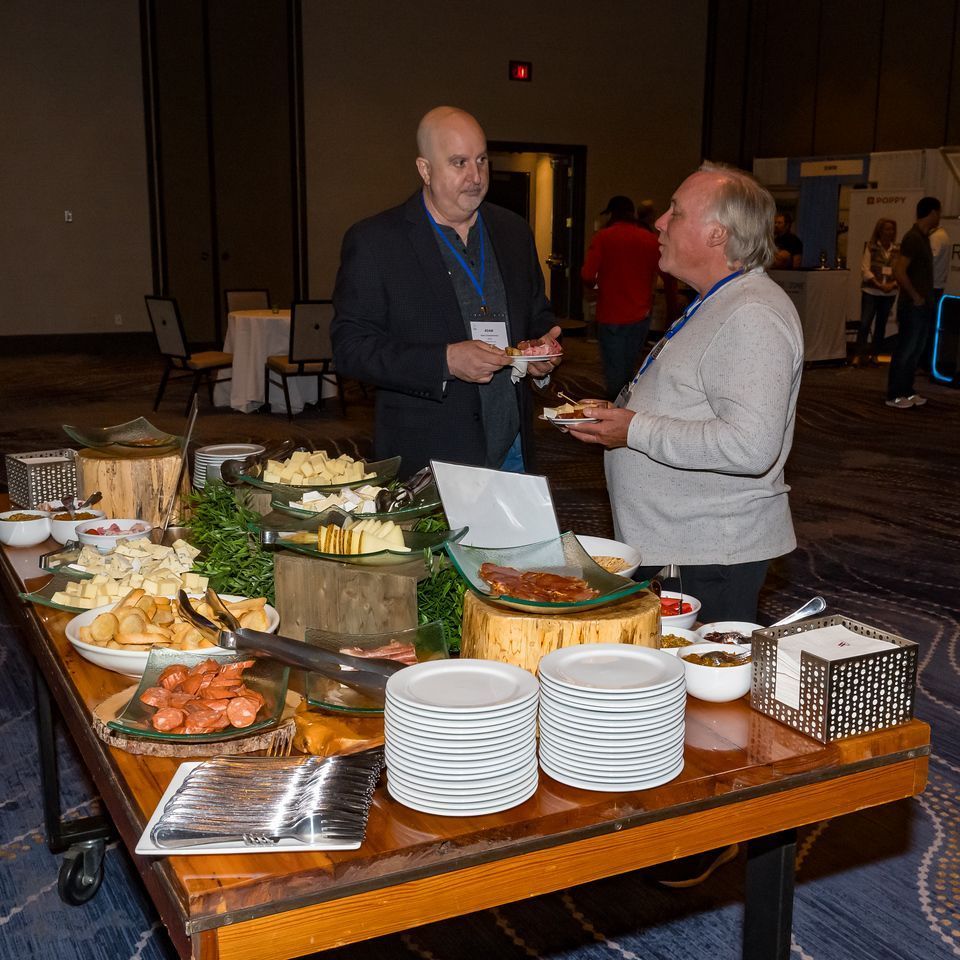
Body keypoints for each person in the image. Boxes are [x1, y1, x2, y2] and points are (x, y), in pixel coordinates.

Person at [566, 162, 804, 625]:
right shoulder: (720, 300)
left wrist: (634, 429)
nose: (658, 222)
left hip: (709, 557)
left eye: (675, 212)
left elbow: (751, 446)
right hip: (686, 546)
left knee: (703, 693)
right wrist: (618, 413)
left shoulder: (751, 314)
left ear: (717, 234)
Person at [331, 107, 561, 477]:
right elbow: (351, 348)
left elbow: (537, 312)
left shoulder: (513, 231)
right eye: (459, 163)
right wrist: (445, 362)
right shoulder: (376, 242)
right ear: (425, 169)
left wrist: (540, 348)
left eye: (482, 160)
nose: (476, 177)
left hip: (513, 449)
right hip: (432, 457)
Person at [580, 196, 663, 399]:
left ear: (612, 214)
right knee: (630, 367)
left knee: (614, 372)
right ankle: (627, 411)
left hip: (611, 314)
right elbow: (666, 275)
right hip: (641, 314)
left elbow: (587, 275)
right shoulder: (650, 239)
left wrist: (597, 286)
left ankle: (616, 415)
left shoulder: (604, 237)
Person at [886, 196, 941, 409]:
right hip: (912, 306)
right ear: (932, 212)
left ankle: (907, 391)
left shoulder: (922, 237)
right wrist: (916, 296)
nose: (939, 217)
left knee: (916, 350)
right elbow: (899, 271)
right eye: (938, 212)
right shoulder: (912, 238)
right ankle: (894, 394)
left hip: (921, 305)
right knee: (906, 350)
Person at [852, 218, 899, 368]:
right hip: (871, 291)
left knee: (881, 326)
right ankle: (859, 354)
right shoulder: (871, 247)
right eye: (887, 229)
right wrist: (879, 285)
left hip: (889, 293)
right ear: (880, 230)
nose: (889, 232)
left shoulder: (898, 249)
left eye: (892, 229)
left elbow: (901, 271)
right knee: (865, 323)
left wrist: (892, 284)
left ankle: (875, 355)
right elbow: (865, 270)